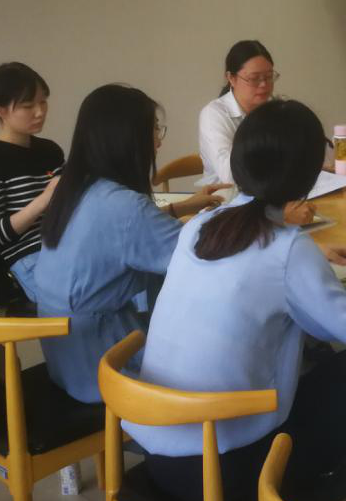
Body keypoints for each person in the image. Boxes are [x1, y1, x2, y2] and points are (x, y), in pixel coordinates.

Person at [128, 99, 346, 501]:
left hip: (162, 453)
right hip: (226, 472)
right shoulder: (288, 250)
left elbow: (253, 272)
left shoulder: (200, 225)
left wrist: (311, 258)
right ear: (307, 176)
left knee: (324, 361)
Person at [34, 84, 223, 403]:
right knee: (227, 351)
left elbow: (130, 232)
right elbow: (198, 259)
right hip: (105, 365)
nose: (158, 141)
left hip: (66, 358)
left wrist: (183, 208)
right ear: (126, 138)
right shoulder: (124, 207)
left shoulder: (75, 188)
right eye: (153, 130)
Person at [0, 62, 63, 302]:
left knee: (132, 279)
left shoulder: (50, 150)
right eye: (28, 106)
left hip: (67, 242)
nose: (39, 112)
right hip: (28, 256)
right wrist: (43, 200)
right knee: (92, 301)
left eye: (43, 102)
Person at [199, 40, 277, 186]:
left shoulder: (275, 107)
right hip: (226, 196)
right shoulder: (214, 115)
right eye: (254, 78)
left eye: (268, 77)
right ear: (231, 78)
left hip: (271, 189)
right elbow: (231, 175)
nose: (264, 85)